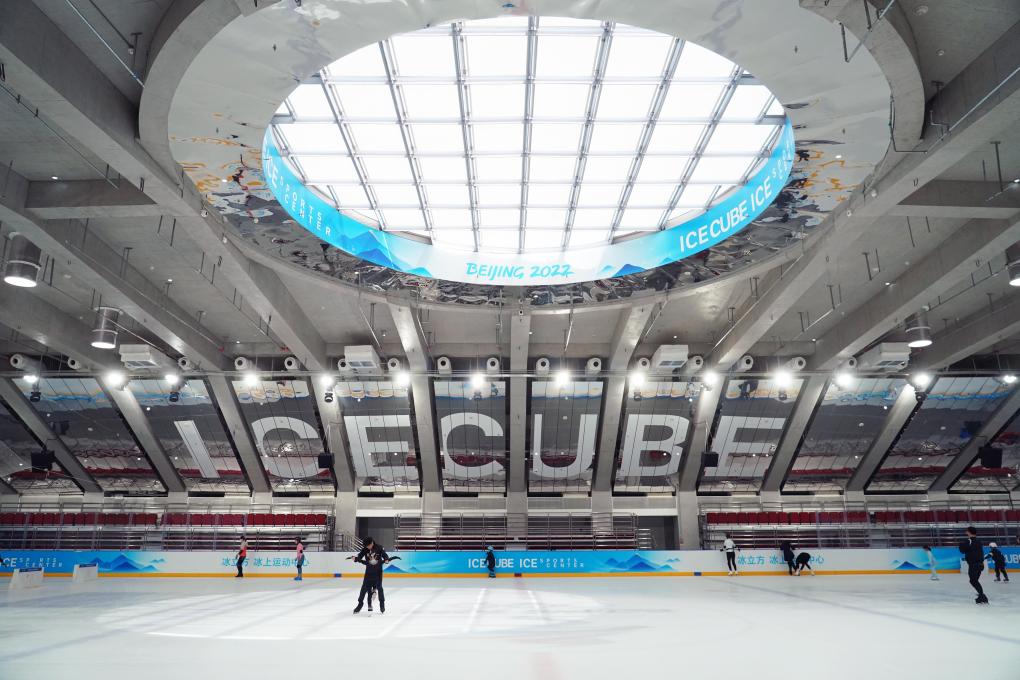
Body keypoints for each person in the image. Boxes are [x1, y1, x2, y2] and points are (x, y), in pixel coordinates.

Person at [352, 537, 394, 614]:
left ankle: (382, 604)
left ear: (372, 543)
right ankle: (360, 604)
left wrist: (386, 559)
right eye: (366, 546)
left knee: (379, 587)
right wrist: (355, 559)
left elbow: (385, 555)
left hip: (378, 572)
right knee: (363, 588)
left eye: (368, 546)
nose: (367, 547)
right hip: (368, 571)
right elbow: (359, 556)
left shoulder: (379, 547)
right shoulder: (365, 549)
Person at [959, 526, 988, 604]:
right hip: (980, 564)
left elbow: (963, 550)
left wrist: (960, 545)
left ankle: (982, 596)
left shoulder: (969, 541)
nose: (966, 532)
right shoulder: (979, 541)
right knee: (975, 581)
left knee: (973, 581)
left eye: (967, 531)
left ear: (969, 532)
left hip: (973, 565)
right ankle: (981, 595)